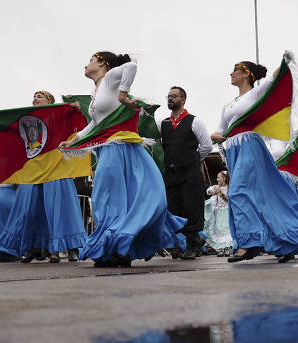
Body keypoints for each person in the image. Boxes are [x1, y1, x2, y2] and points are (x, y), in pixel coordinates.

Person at [59, 51, 186, 267]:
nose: (86, 64)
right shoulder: (96, 92)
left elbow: (131, 67)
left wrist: (122, 94)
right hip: (109, 149)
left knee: (125, 196)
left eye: (91, 60)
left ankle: (120, 247)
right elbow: (95, 123)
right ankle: (116, 248)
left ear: (102, 64)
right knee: (109, 199)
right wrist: (74, 140)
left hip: (122, 147)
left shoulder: (109, 79)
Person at [209, 55, 298, 264]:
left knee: (237, 192)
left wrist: (284, 63)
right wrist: (216, 135)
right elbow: (219, 131)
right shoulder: (228, 105)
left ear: (246, 73)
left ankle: (248, 243)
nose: (231, 73)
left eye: (235, 70)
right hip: (233, 149)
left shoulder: (255, 93)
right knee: (260, 197)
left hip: (249, 145)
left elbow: (275, 80)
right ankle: (285, 242)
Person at [0, 91, 88, 263]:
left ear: (50, 101)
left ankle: (70, 247)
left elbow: (77, 123)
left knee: (60, 210)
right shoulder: (26, 119)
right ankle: (33, 247)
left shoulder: (58, 115)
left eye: (40, 96)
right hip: (34, 171)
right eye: (34, 96)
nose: (35, 98)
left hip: (56, 169)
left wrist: (75, 107)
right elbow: (7, 131)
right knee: (31, 211)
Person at [158, 86, 212, 260]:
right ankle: (181, 244)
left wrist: (193, 161)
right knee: (173, 209)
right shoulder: (163, 123)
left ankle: (192, 243)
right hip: (171, 174)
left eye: (174, 96)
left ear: (183, 99)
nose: (170, 99)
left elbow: (206, 146)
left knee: (191, 207)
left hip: (190, 173)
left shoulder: (195, 121)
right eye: (169, 96)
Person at [204, 171, 233, 256]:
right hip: (219, 212)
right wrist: (212, 191)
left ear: (224, 178)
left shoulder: (229, 187)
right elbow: (208, 191)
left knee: (226, 229)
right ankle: (221, 248)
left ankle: (228, 247)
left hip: (227, 211)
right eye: (217, 177)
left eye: (218, 177)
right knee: (218, 229)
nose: (217, 179)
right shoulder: (216, 187)